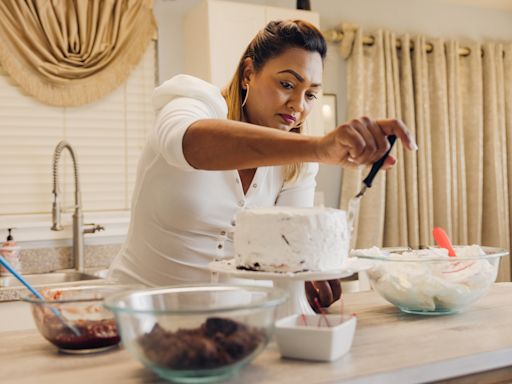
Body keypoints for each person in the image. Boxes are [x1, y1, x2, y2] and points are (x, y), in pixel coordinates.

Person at [108, 20, 417, 309]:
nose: (298, 105)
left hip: (236, 330)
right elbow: (188, 144)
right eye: (286, 84)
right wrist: (320, 147)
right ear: (248, 74)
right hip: (136, 319)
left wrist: (309, 283)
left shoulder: (298, 164)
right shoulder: (193, 102)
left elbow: (291, 256)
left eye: (311, 94)